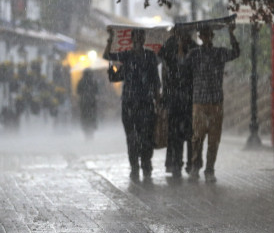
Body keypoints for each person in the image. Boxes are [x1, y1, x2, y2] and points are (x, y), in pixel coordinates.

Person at [182, 23, 240, 182]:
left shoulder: (219, 53)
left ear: (211, 36)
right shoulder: (194, 54)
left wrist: (231, 34)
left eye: (208, 35)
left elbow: (236, 52)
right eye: (203, 35)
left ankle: (209, 169)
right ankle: (195, 165)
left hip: (215, 102)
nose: (206, 38)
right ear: (200, 37)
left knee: (214, 139)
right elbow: (182, 68)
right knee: (197, 137)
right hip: (199, 101)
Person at [104, 29, 161, 181]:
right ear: (131, 39)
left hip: (146, 103)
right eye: (136, 37)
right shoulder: (126, 56)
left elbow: (155, 81)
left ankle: (146, 164)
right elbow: (107, 56)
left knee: (146, 136)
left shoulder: (150, 57)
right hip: (129, 104)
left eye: (141, 37)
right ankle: (134, 166)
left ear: (144, 39)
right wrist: (110, 39)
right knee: (132, 137)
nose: (138, 40)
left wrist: (158, 100)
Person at [158, 28, 198, 178]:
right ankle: (176, 163)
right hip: (174, 96)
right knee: (175, 133)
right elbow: (163, 64)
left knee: (189, 133)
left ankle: (189, 163)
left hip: (188, 96)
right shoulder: (169, 45)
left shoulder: (193, 47)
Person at [76, 69, 98, 138]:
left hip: (83, 102)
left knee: (84, 117)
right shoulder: (93, 81)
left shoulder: (81, 81)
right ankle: (91, 132)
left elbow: (78, 91)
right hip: (92, 102)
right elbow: (97, 91)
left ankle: (86, 132)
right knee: (91, 117)